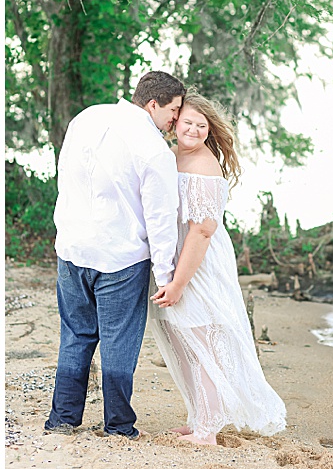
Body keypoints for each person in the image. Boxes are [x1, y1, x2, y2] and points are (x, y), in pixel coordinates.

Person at [46, 71, 187, 439]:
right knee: (118, 342)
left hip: (73, 247)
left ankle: (62, 419)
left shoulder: (87, 117)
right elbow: (159, 220)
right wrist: (166, 274)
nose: (174, 119)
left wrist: (66, 229)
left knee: (76, 335)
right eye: (173, 110)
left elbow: (66, 176)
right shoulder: (154, 149)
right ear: (153, 104)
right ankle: (119, 425)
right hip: (121, 258)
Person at [149, 92, 286, 445]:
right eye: (188, 122)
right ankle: (198, 417)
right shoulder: (173, 154)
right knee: (180, 339)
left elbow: (203, 229)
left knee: (202, 340)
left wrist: (178, 281)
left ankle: (208, 430)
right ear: (175, 121)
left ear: (209, 130)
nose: (193, 129)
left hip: (199, 262)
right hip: (176, 257)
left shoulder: (204, 164)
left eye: (201, 125)